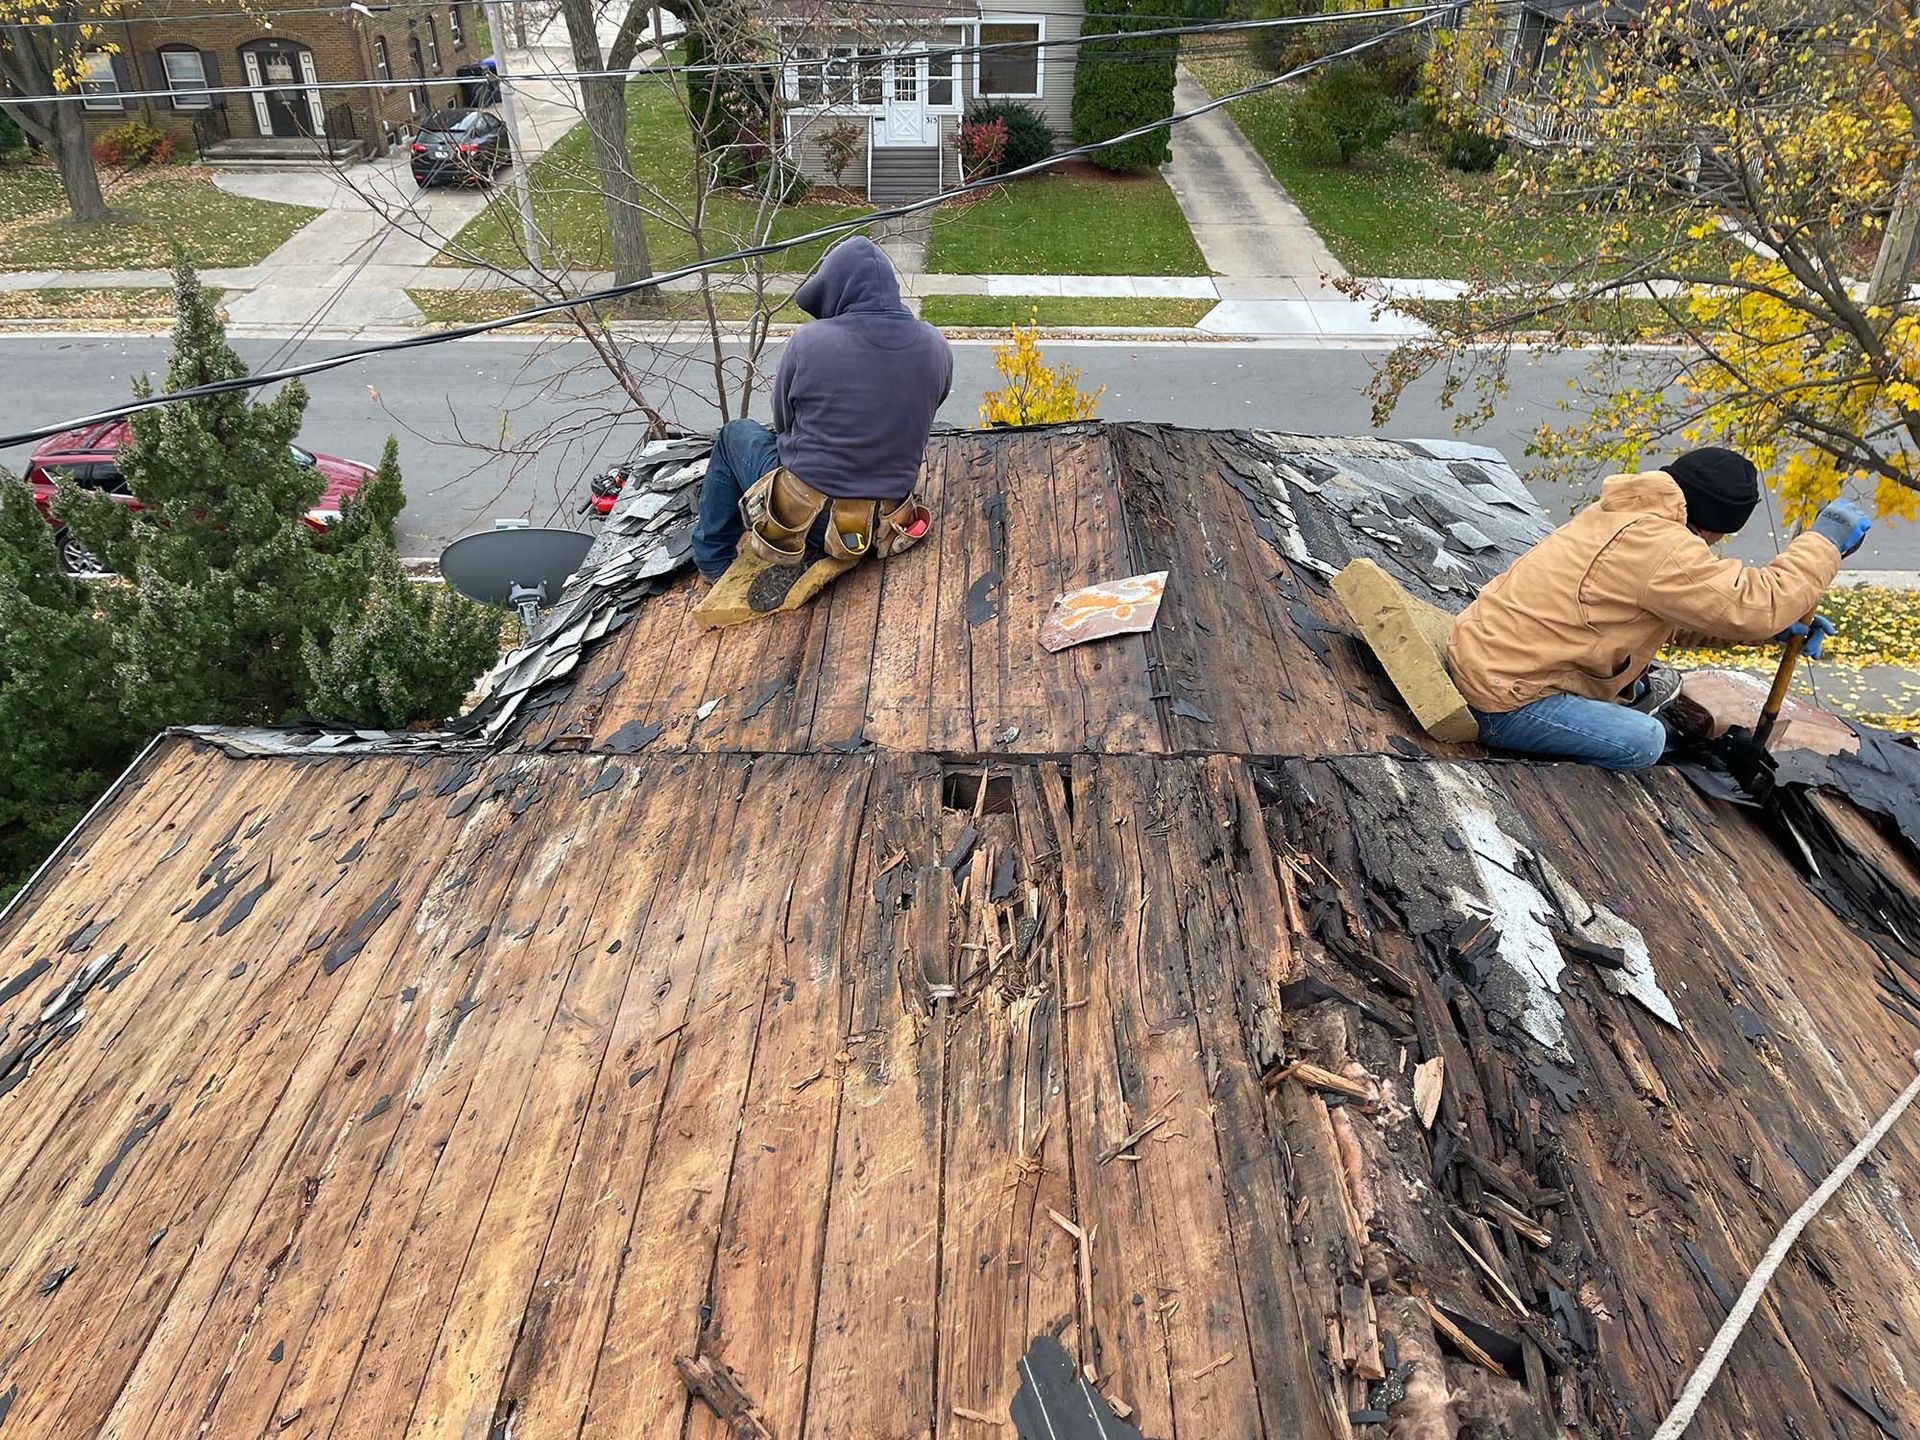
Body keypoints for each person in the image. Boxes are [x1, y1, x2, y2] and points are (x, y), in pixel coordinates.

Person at [1447, 446, 1872, 771]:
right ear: (1710, 525)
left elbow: (1671, 615)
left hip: (1484, 657)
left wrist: (1774, 632)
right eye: (1716, 537)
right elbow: (1757, 604)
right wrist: (1825, 543)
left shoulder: (1624, 514)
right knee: (1642, 741)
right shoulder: (1665, 548)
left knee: (1652, 690)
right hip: (1505, 701)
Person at [691, 236, 953, 582]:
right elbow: (928, 408)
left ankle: (713, 561)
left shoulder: (808, 342)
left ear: (837, 292)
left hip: (810, 523)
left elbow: (785, 424)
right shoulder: (936, 346)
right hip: (882, 527)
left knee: (735, 435)